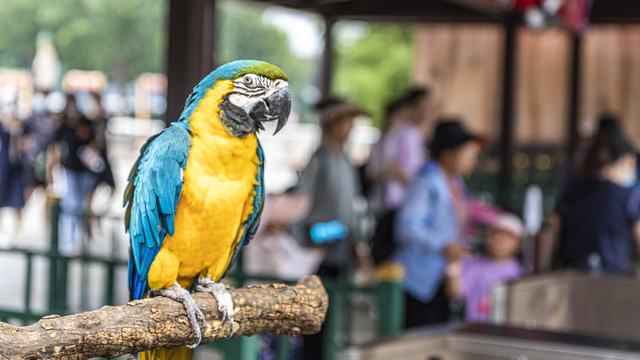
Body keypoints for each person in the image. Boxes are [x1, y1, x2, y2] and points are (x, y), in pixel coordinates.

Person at [394, 119, 482, 329]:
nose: (472, 161)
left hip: (442, 277)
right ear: (448, 154)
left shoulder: (455, 181)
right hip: (418, 280)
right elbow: (406, 227)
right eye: (468, 155)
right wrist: (441, 245)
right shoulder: (425, 182)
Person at [297, 99, 363, 360]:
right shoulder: (320, 160)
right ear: (333, 124)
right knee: (315, 320)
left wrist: (357, 242)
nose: (351, 128)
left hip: (340, 250)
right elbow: (302, 207)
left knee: (332, 317)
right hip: (318, 252)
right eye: (347, 122)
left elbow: (351, 208)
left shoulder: (344, 160)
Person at [554, 115, 640, 273]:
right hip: (613, 276)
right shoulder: (628, 197)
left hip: (572, 273)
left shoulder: (571, 191)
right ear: (623, 160)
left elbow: (556, 236)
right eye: (632, 164)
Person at [445, 212, 527, 323]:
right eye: (496, 235)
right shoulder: (475, 266)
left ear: (518, 244)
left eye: (508, 238)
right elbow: (455, 292)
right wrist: (453, 263)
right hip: (478, 330)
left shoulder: (523, 270)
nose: (501, 241)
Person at [50, 94, 100, 256]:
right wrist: (51, 171)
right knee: (69, 205)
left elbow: (94, 143)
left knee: (81, 206)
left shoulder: (85, 122)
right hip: (68, 170)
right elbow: (55, 149)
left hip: (85, 171)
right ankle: (69, 241)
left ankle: (79, 240)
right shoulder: (62, 126)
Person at [0, 104, 26, 247]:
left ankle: (18, 228)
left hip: (15, 168)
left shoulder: (18, 130)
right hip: (3, 169)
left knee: (17, 199)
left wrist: (16, 135)